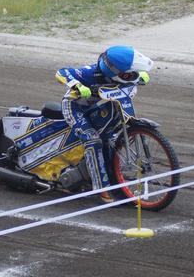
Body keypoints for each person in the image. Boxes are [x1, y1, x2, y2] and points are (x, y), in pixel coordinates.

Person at [55, 45, 152, 203]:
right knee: (93, 141)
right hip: (76, 107)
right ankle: (102, 189)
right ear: (114, 71)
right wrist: (76, 85)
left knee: (111, 136)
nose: (132, 76)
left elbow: (136, 76)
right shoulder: (89, 73)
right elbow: (62, 72)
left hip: (102, 105)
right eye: (128, 74)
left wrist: (139, 76)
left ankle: (114, 178)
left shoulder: (117, 73)